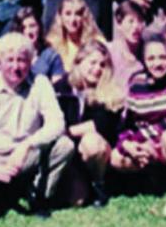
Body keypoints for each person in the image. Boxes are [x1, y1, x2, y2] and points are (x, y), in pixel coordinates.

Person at [0, 32, 74, 218]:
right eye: (9, 60)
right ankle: (5, 191)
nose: (16, 66)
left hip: (27, 155)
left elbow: (57, 123)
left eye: (22, 60)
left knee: (64, 146)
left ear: (30, 62)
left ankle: (39, 196)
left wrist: (28, 145)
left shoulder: (40, 83)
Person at [110, 35, 166, 217]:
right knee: (116, 157)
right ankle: (152, 180)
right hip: (150, 144)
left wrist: (142, 140)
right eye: (151, 58)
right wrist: (127, 143)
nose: (157, 63)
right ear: (144, 60)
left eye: (162, 57)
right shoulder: (137, 81)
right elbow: (129, 123)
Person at [54, 40, 125, 207]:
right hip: (70, 153)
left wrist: (66, 131)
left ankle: (99, 184)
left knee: (91, 141)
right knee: (77, 201)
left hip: (97, 153)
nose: (97, 69)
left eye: (102, 65)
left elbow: (100, 125)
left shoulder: (111, 92)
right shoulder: (61, 87)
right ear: (79, 62)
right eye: (92, 62)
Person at [46, 0, 104, 72]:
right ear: (60, 16)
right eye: (68, 14)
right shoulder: (51, 43)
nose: (73, 20)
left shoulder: (97, 41)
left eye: (78, 14)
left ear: (84, 16)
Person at [9, 6, 65, 83]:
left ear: (39, 27)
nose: (28, 32)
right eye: (23, 28)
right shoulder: (9, 56)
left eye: (32, 26)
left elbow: (58, 87)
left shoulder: (51, 56)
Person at [107, 0, 145, 92]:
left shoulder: (147, 52)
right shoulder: (108, 52)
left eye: (140, 20)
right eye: (130, 21)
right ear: (119, 24)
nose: (136, 26)